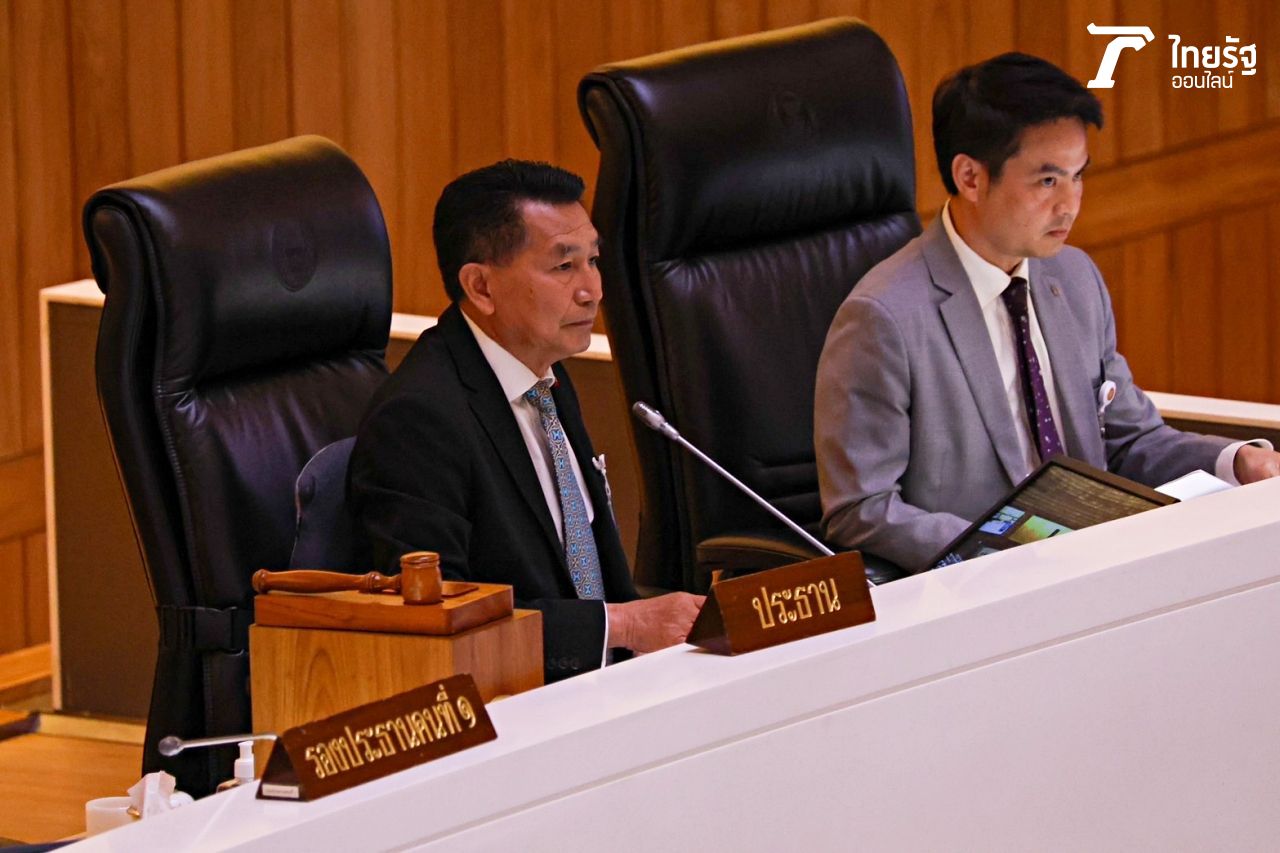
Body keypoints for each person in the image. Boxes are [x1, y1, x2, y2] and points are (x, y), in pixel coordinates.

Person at [815, 52, 1280, 573]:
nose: (1070, 204)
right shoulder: (884, 318)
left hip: (1097, 566)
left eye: (1078, 176)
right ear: (970, 177)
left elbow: (1128, 440)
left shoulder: (1074, 278)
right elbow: (862, 509)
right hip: (980, 587)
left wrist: (1237, 462)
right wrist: (1009, 549)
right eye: (1047, 181)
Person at [350, 160, 703, 681]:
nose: (592, 290)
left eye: (593, 260)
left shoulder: (544, 374)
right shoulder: (418, 420)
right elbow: (437, 619)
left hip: (604, 686)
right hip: (510, 704)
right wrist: (624, 626)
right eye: (564, 267)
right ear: (481, 287)